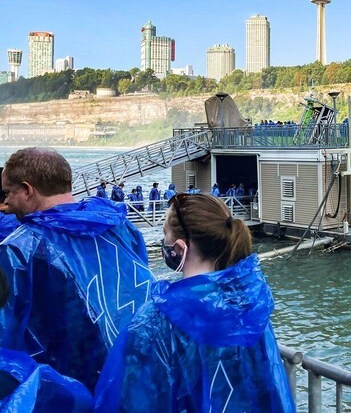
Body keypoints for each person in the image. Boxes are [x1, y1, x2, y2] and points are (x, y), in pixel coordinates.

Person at [94, 194, 295, 412]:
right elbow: (269, 388)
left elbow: (128, 400)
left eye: (165, 235)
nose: (164, 243)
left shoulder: (156, 321)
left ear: (179, 248)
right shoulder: (250, 306)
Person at [0, 147, 153, 390]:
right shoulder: (121, 227)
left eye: (8, 192)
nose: (6, 201)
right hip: (130, 376)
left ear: (28, 190)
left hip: (61, 389)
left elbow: (6, 333)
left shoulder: (19, 248)